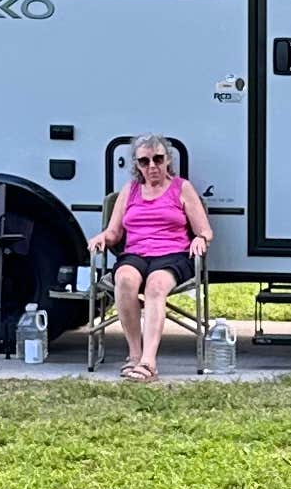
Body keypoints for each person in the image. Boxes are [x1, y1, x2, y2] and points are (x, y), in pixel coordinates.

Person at [90, 141, 211, 381]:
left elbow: (205, 230)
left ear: (168, 160)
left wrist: (201, 240)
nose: (152, 166)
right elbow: (114, 233)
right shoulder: (130, 190)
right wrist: (103, 236)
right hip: (135, 255)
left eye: (158, 159)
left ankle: (149, 362)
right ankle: (134, 356)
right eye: (144, 161)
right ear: (137, 165)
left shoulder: (182, 188)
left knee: (156, 286)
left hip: (173, 255)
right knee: (124, 280)